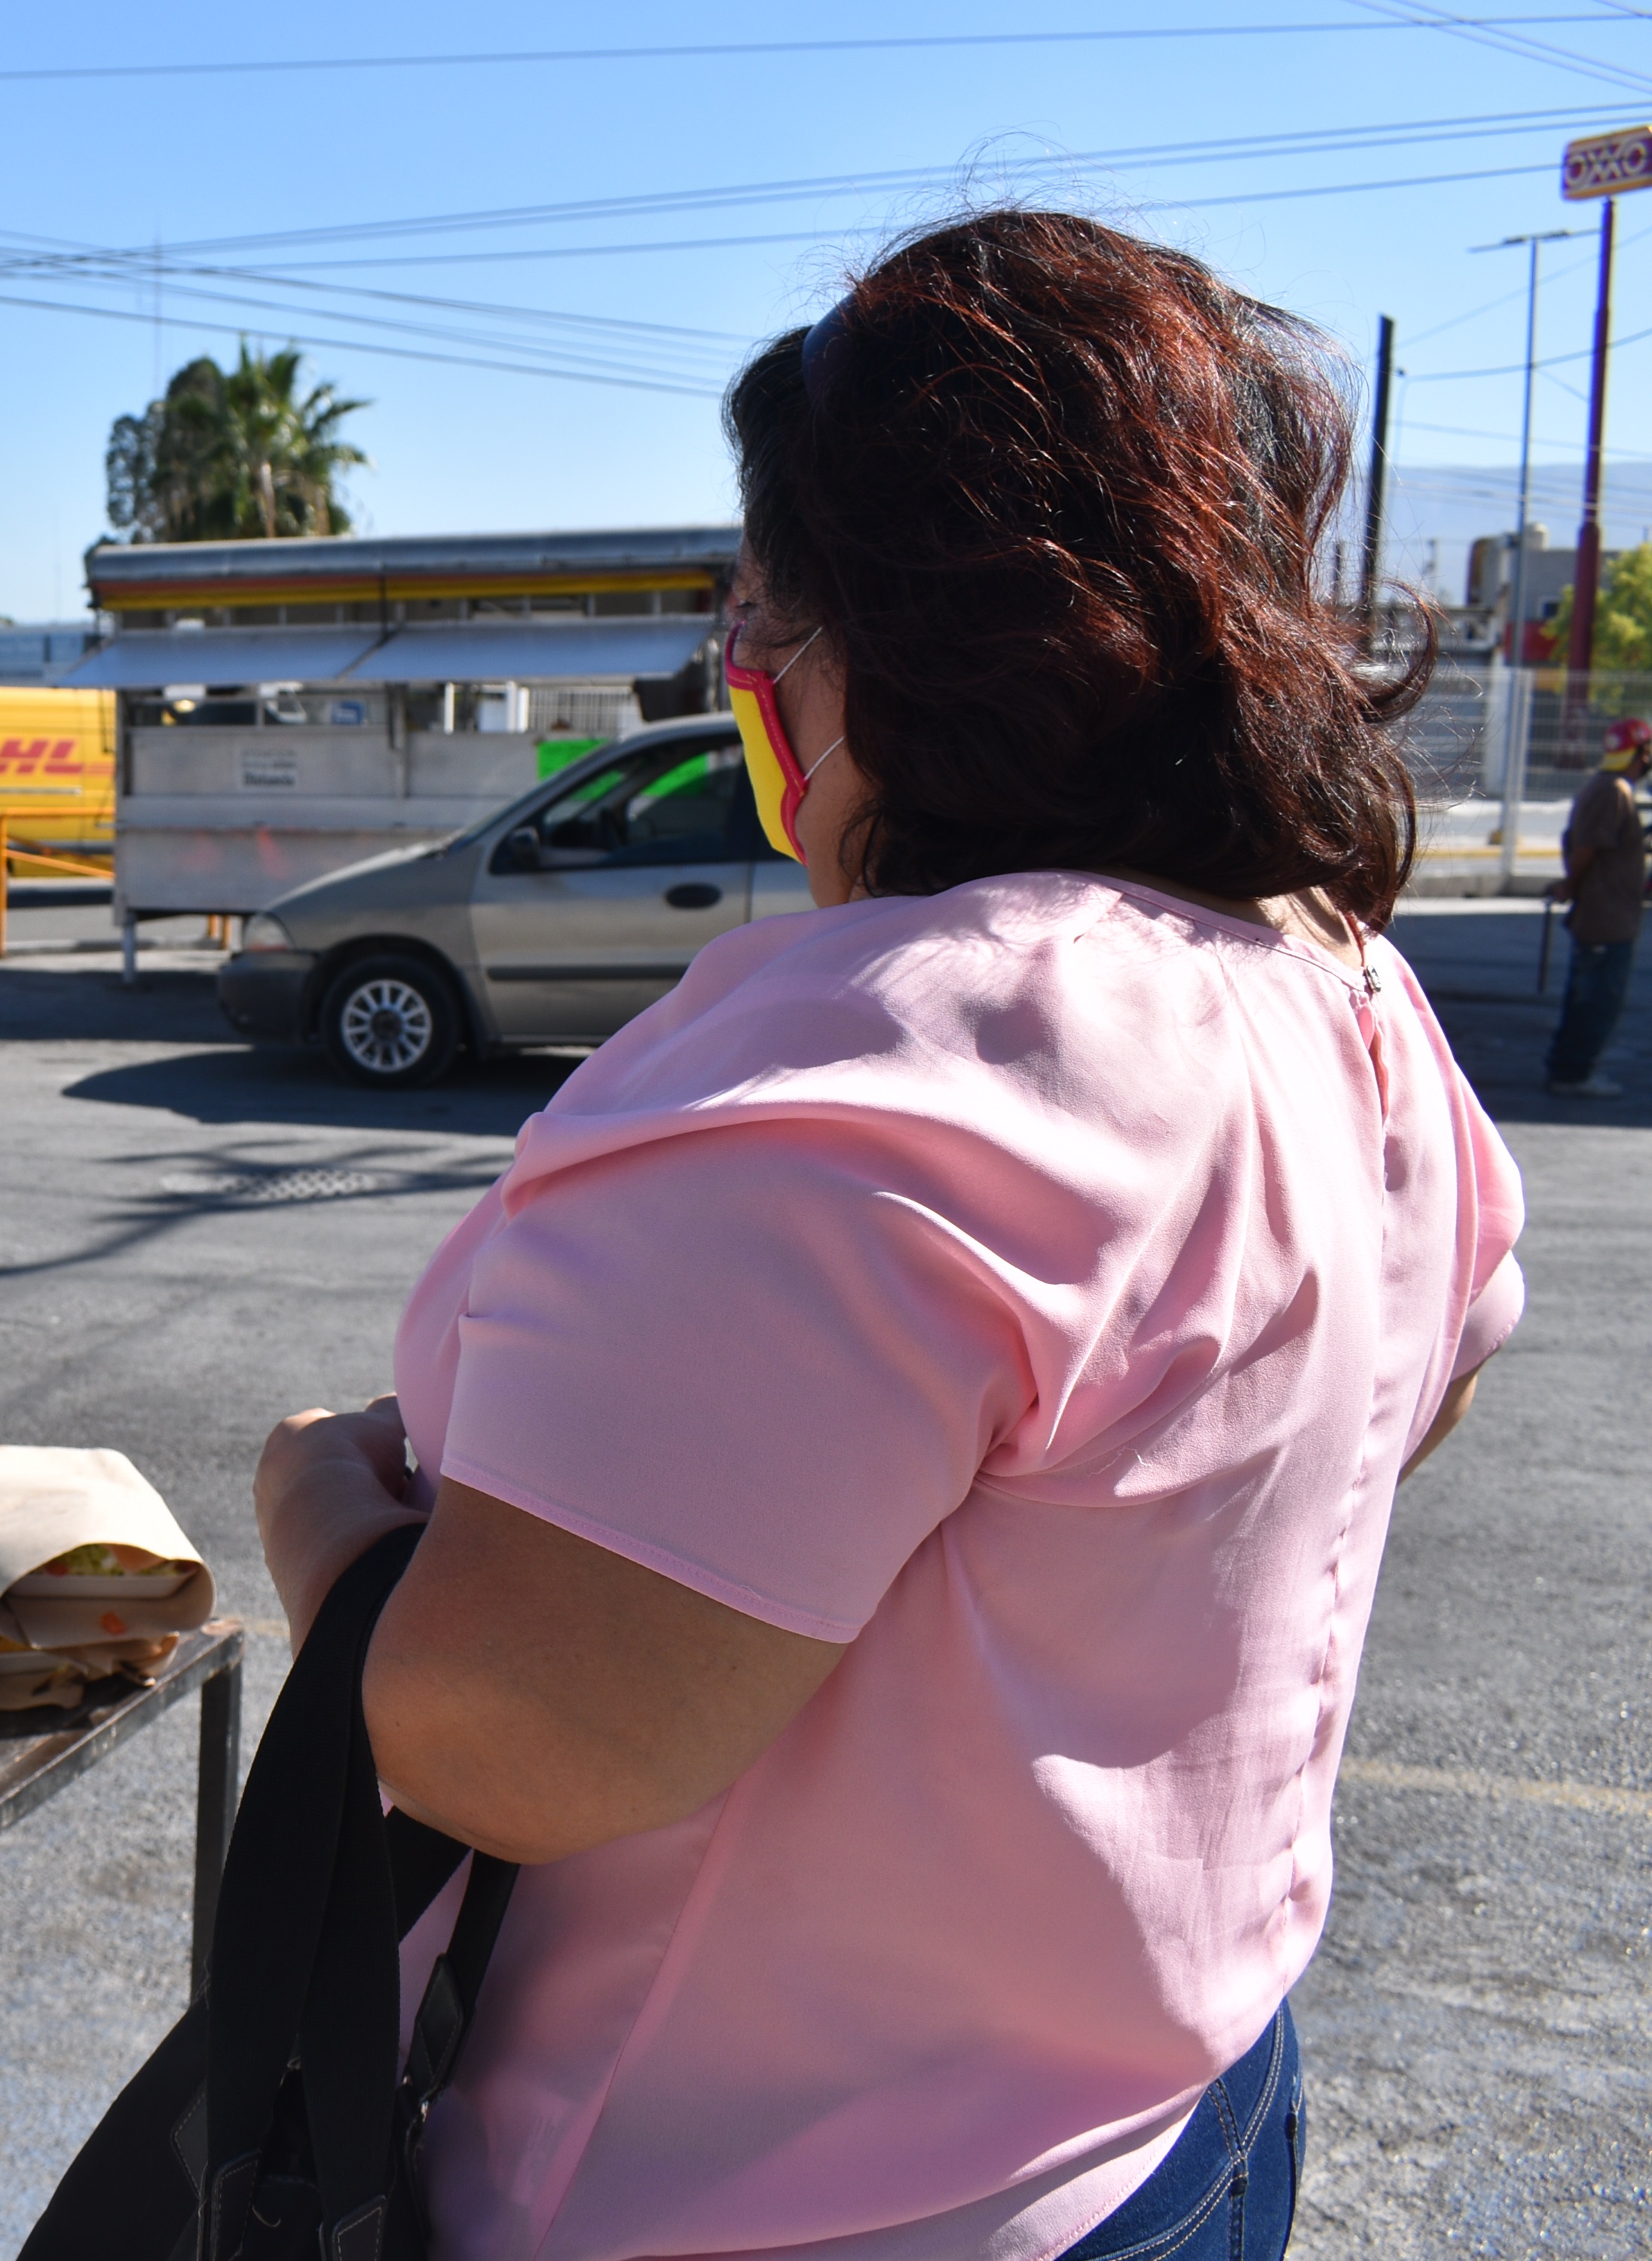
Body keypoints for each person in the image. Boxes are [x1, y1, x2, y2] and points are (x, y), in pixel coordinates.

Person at [254, 212, 1524, 2261]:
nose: (740, 672)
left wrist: (318, 1507)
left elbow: (512, 1739)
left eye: (763, 612)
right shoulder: (1331, 975)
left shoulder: (893, 1064)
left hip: (794, 2202)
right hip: (1182, 2102)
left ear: (883, 651)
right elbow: (1436, 1359)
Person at [1544, 715, 1645, 1097]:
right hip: (1606, 921)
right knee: (1595, 1002)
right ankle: (1572, 1073)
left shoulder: (1609, 787)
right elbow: (1586, 848)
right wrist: (1570, 885)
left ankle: (1571, 1069)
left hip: (1610, 917)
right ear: (1640, 754)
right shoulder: (1612, 791)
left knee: (1593, 999)